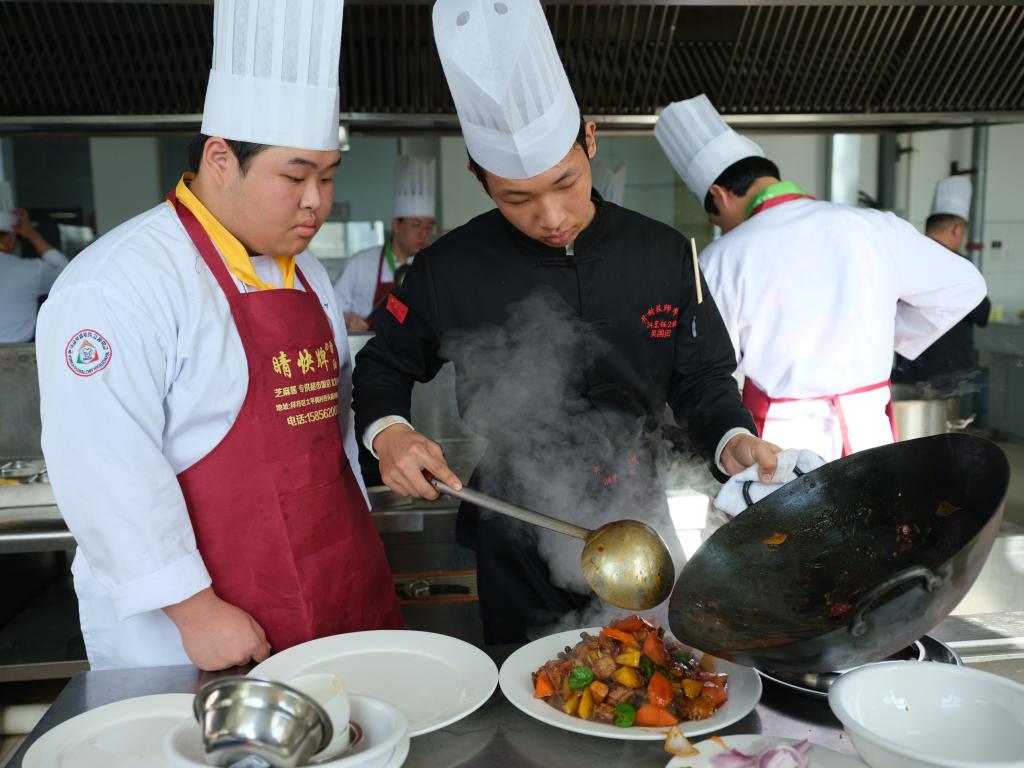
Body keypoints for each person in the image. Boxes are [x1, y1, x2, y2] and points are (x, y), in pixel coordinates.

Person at [353, 0, 780, 644]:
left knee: (654, 664)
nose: (551, 217)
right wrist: (390, 434)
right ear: (478, 178)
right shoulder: (448, 267)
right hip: (514, 521)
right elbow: (384, 364)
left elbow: (702, 380)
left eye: (565, 182)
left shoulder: (664, 253)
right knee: (523, 675)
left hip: (637, 516)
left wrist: (732, 440)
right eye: (517, 198)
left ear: (590, 140)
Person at [36, 0, 401, 672]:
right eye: (295, 176)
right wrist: (194, 609)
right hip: (197, 630)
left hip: (332, 585)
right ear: (220, 158)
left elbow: (331, 440)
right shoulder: (118, 282)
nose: (316, 201)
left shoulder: (309, 273)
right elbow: (102, 465)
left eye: (328, 177)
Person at [655, 95, 987, 461]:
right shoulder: (877, 227)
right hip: (869, 438)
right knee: (878, 500)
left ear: (718, 195)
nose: (722, 227)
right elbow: (966, 286)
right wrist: (884, 332)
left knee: (783, 502)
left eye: (715, 218)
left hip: (778, 449)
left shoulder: (723, 257)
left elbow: (710, 369)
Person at [893, 175, 991, 391]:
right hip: (951, 375)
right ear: (956, 229)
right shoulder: (958, 266)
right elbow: (982, 314)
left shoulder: (903, 257)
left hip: (907, 371)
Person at [333, 156, 436, 332]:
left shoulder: (433, 266)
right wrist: (348, 319)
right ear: (396, 225)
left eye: (429, 227)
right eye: (416, 225)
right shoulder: (361, 263)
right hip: (367, 344)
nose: (423, 234)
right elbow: (333, 309)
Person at [0, 184, 69, 342]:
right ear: (11, 238)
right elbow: (67, 275)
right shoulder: (31, 270)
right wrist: (32, 235)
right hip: (18, 354)